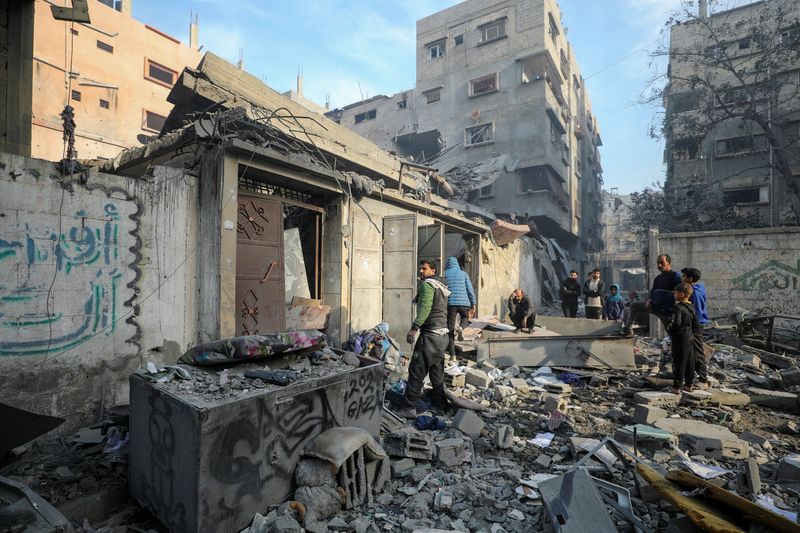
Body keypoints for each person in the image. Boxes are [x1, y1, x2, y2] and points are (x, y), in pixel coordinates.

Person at [396, 259, 451, 419]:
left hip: (430, 337)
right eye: (420, 269)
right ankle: (441, 406)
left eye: (424, 269)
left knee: (417, 372)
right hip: (442, 336)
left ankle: (408, 408)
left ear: (433, 271)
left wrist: (414, 328)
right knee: (436, 374)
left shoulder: (428, 285)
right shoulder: (442, 286)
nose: (421, 271)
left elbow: (426, 307)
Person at [621, 254, 682, 336]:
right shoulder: (658, 278)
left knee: (672, 332)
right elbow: (653, 292)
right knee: (634, 305)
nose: (659, 265)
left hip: (667, 311)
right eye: (658, 263)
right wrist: (649, 300)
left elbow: (683, 291)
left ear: (669, 263)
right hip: (655, 306)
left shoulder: (676, 276)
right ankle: (628, 329)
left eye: (662, 263)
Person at [682, 267, 710, 389]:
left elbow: (697, 311)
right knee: (692, 351)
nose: (682, 279)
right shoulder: (698, 288)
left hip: (695, 323)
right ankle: (691, 377)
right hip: (694, 323)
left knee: (698, 351)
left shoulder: (695, 293)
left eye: (684, 277)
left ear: (690, 279)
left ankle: (703, 379)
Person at [443, 256, 476, 357]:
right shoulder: (463, 274)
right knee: (465, 317)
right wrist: (473, 303)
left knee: (450, 330)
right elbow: (470, 289)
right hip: (463, 303)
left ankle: (452, 356)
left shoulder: (444, 274)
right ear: (457, 264)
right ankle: (461, 327)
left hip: (451, 303)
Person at [667, 283, 697, 394]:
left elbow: (676, 323)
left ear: (682, 294)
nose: (674, 294)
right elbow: (696, 324)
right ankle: (689, 385)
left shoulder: (678, 307)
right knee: (689, 361)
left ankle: (676, 387)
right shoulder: (692, 307)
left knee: (679, 362)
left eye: (676, 292)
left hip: (679, 337)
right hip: (690, 336)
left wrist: (670, 329)